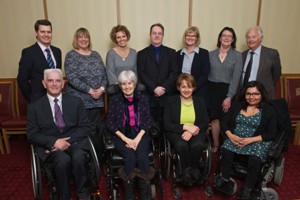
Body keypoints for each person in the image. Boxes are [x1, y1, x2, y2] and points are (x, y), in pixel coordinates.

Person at [27, 69, 93, 200]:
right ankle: (64, 196)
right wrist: (54, 142)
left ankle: (83, 194)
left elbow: (86, 126)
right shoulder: (34, 107)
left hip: (74, 142)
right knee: (63, 160)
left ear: (63, 83)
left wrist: (66, 142)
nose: (54, 84)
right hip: (50, 147)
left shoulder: (76, 101)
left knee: (79, 156)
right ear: (44, 83)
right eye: (50, 81)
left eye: (58, 80)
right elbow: (32, 134)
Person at [214, 81, 277, 199]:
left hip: (257, 140)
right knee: (226, 149)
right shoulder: (237, 105)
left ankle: (248, 188)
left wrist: (250, 140)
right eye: (249, 94)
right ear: (244, 94)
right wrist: (230, 136)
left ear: (261, 94)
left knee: (255, 158)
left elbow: (271, 133)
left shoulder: (269, 110)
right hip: (236, 138)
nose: (252, 97)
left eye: (256, 94)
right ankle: (225, 179)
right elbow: (224, 122)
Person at [106, 70, 154, 200]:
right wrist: (126, 139)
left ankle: (145, 195)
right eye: (123, 84)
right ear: (120, 86)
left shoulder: (143, 98)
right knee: (130, 157)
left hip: (140, 134)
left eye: (129, 83)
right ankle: (129, 195)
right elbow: (110, 123)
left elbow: (147, 121)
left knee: (142, 158)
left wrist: (137, 139)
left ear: (134, 84)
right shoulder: (115, 100)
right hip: (122, 135)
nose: (127, 87)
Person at [64, 27, 107, 159]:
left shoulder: (96, 54)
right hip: (79, 101)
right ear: (76, 39)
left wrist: (101, 89)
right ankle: (84, 156)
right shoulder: (71, 55)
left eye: (86, 37)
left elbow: (104, 75)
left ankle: (97, 157)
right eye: (80, 37)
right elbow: (71, 77)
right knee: (82, 130)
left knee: (94, 130)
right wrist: (89, 90)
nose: (83, 39)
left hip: (96, 100)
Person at [164, 73, 209, 186]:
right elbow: (167, 124)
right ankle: (185, 170)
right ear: (178, 87)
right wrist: (185, 127)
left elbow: (205, 122)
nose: (186, 90)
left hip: (196, 130)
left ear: (194, 88)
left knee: (197, 146)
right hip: (176, 131)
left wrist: (191, 130)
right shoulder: (170, 101)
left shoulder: (200, 101)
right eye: (183, 86)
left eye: (189, 86)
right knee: (181, 145)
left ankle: (193, 168)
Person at [208, 27, 243, 152]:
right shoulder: (210, 54)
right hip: (212, 90)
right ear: (220, 38)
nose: (226, 38)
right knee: (215, 119)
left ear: (233, 39)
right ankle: (216, 144)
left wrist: (229, 97)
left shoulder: (237, 56)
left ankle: (228, 146)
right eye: (224, 35)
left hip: (229, 91)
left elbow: (236, 78)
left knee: (227, 119)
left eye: (230, 36)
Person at [137, 23, 179, 127]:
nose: (157, 35)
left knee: (167, 125)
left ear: (163, 36)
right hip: (149, 96)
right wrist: (154, 88)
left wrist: (163, 88)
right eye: (154, 33)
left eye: (159, 33)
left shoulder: (171, 52)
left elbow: (174, 73)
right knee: (150, 126)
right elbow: (141, 73)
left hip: (167, 96)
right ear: (150, 35)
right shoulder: (141, 54)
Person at [17, 19, 62, 103]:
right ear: (36, 33)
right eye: (42, 32)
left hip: (56, 99)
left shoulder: (57, 51)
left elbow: (58, 76)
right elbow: (22, 80)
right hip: (38, 100)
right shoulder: (28, 52)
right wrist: (31, 100)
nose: (46, 34)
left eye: (49, 32)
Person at [241, 26, 282, 100]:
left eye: (254, 37)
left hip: (264, 97)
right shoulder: (242, 55)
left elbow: (276, 75)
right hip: (245, 96)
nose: (250, 40)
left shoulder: (272, 54)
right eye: (248, 37)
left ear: (260, 38)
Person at [177, 26, 210, 105]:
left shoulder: (204, 53)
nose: (190, 38)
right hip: (181, 92)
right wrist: (183, 88)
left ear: (197, 38)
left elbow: (205, 74)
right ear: (185, 37)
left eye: (193, 36)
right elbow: (176, 73)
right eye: (188, 35)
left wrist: (192, 87)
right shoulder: (178, 54)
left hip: (198, 91)